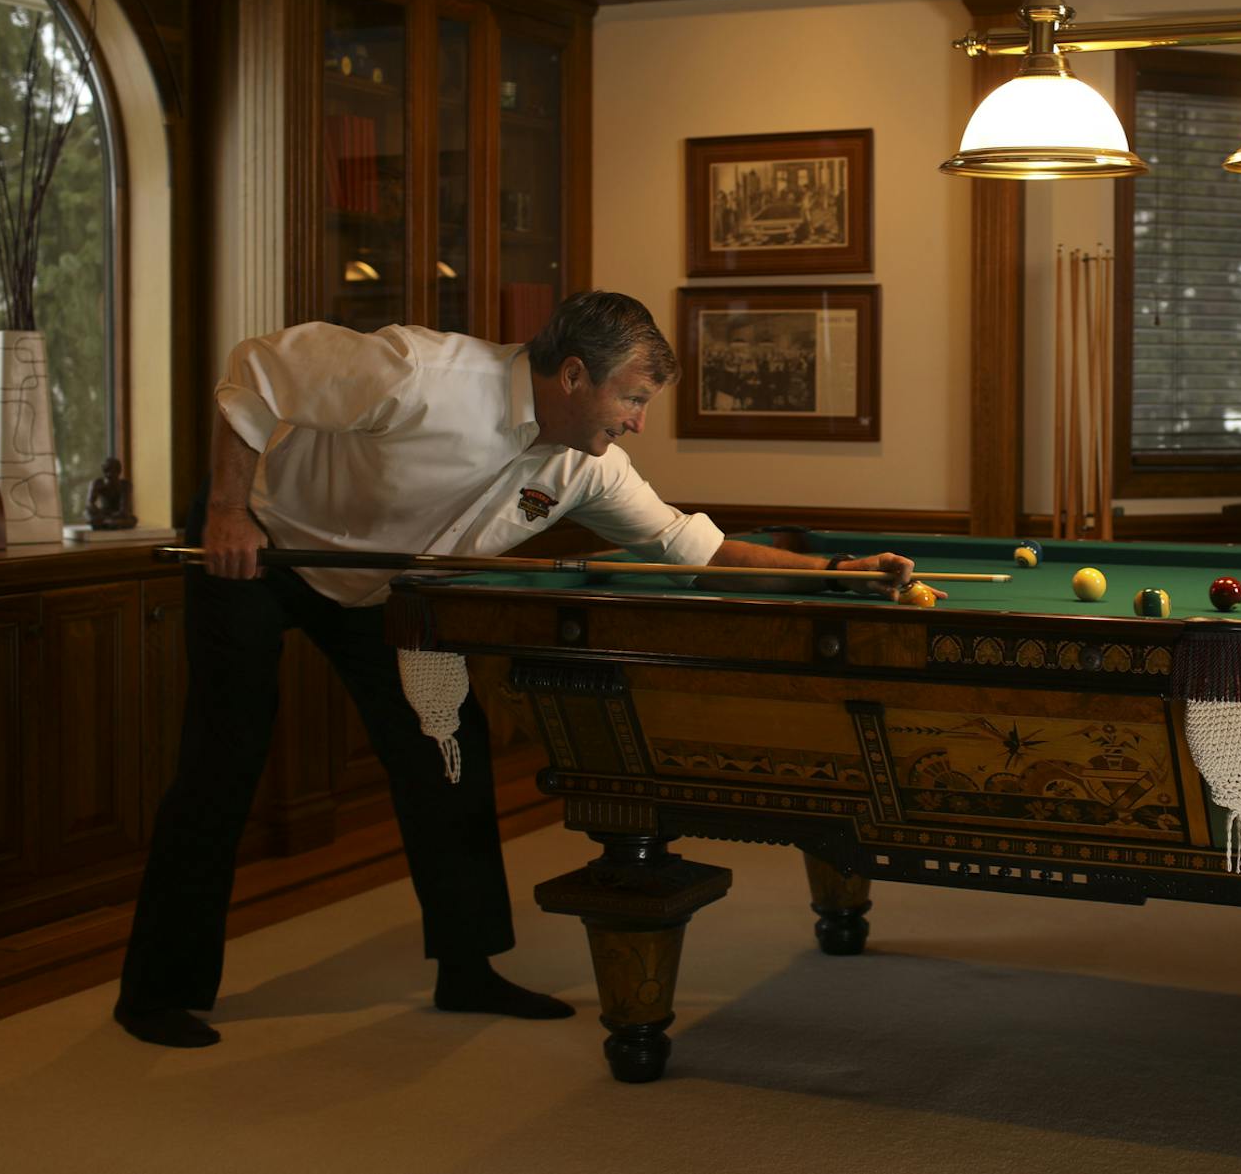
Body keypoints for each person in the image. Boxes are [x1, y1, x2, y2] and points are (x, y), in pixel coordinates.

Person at [114, 291, 922, 1048]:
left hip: (380, 588)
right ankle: (155, 990)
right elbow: (256, 371)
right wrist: (225, 509)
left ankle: (468, 970)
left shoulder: (585, 462)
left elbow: (693, 548)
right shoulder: (421, 373)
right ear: (574, 374)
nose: (639, 422)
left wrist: (835, 572)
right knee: (225, 755)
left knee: (447, 751)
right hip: (262, 543)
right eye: (633, 399)